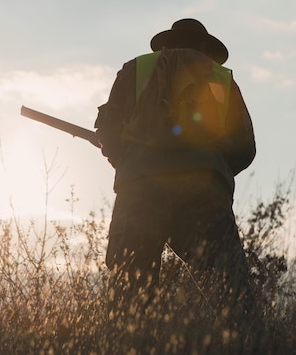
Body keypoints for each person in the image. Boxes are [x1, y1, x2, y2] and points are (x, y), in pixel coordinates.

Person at [95, 18, 256, 315]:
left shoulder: (134, 70)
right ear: (206, 47)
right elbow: (245, 146)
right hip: (203, 192)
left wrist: (131, 163)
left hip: (138, 190)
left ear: (167, 42)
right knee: (231, 294)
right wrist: (211, 170)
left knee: (130, 294)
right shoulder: (220, 79)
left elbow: (107, 132)